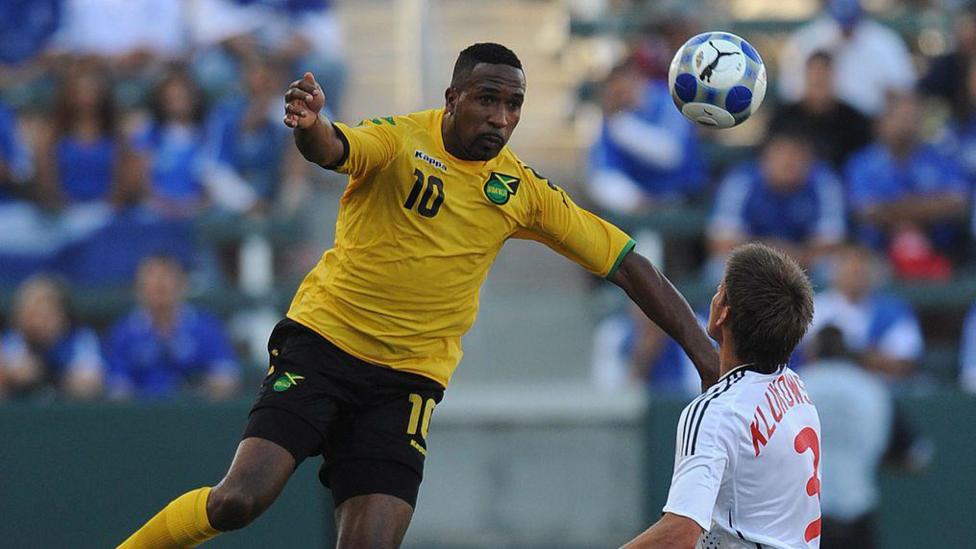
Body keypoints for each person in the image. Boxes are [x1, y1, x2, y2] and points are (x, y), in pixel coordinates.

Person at [119, 42, 719, 548]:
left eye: (513, 105)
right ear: (453, 98)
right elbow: (334, 148)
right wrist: (310, 126)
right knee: (239, 502)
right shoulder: (402, 140)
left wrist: (706, 355)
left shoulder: (521, 191)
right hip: (323, 344)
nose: (501, 118)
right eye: (487, 100)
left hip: (406, 381)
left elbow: (627, 263)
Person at [622, 243, 820, 548]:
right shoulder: (794, 385)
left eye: (719, 290)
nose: (714, 298)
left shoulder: (716, 412)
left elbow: (679, 533)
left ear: (723, 311)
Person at [801, 325, 932, 548]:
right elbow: (916, 457)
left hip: (806, 517)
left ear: (812, 353)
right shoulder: (872, 389)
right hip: (858, 513)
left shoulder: (795, 387)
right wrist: (874, 458)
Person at [844, 92, 969, 275]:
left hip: (941, 254)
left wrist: (894, 210)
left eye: (913, 117)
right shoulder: (862, 163)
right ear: (881, 122)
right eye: (900, 117)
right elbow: (867, 212)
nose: (907, 125)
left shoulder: (940, 158)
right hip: (877, 256)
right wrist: (929, 207)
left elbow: (958, 204)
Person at [707, 128, 845, 279]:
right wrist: (773, 255)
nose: (788, 162)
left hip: (804, 262)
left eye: (797, 156)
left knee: (831, 267)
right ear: (765, 158)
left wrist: (792, 258)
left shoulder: (823, 181)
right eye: (781, 155)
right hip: (752, 261)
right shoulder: (741, 180)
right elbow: (722, 241)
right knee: (719, 267)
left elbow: (831, 241)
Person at [105, 254, 240, 400]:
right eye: (152, 281)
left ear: (182, 284)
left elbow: (226, 376)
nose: (160, 284)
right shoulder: (124, 332)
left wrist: (206, 387)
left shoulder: (206, 327)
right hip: (140, 410)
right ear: (139, 288)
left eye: (166, 279)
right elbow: (117, 386)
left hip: (194, 409)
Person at [777, 0, 915, 117]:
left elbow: (904, 96)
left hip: (869, 128)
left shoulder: (886, 43)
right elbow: (790, 96)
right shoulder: (804, 41)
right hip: (814, 126)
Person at [807, 245, 924, 379]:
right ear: (834, 272)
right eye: (848, 267)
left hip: (876, 384)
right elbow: (803, 354)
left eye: (860, 269)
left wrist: (855, 355)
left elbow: (905, 362)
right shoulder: (814, 307)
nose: (855, 273)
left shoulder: (894, 311)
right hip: (819, 381)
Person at [0, 275, 104, 400]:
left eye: (47, 315)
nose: (40, 322)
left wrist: (52, 376)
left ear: (63, 316)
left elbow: (88, 381)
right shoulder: (13, 339)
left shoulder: (80, 338)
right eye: (33, 314)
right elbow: (14, 373)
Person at [767, 50, 872, 169]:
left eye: (824, 75)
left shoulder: (853, 120)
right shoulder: (784, 117)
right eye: (815, 74)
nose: (819, 78)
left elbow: (864, 161)